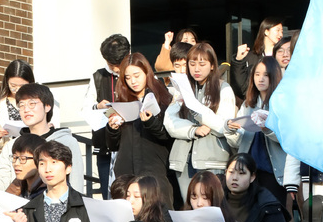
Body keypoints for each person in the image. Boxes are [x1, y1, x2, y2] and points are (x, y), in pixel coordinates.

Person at [164, 42, 238, 199]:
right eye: (192, 64)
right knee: (190, 208)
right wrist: (192, 129)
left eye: (202, 64)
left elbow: (224, 126)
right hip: (183, 160)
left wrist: (196, 109)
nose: (196, 69)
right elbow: (169, 121)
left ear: (212, 65)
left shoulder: (223, 88)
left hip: (212, 160)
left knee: (211, 209)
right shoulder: (182, 88)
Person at [0, 83, 84, 193]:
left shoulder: (66, 142)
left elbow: (76, 183)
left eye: (32, 104)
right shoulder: (12, 145)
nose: (26, 109)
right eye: (21, 105)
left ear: (47, 106)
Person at [229, 57, 299, 207]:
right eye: (257, 74)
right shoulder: (249, 103)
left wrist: (267, 129)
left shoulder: (282, 103)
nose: (260, 79)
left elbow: (287, 139)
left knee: (272, 212)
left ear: (274, 76)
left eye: (266, 75)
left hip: (272, 170)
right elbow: (238, 141)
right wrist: (231, 129)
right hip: (248, 168)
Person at [105, 54, 173, 206]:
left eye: (137, 75)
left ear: (147, 73)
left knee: (156, 217)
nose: (133, 81)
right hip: (125, 172)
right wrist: (112, 128)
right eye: (128, 78)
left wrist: (150, 122)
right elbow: (113, 146)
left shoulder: (162, 100)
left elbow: (167, 137)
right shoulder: (122, 103)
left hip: (153, 170)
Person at [81, 33, 131, 198]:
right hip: (106, 146)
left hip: (130, 144)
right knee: (107, 194)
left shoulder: (136, 73)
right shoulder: (98, 76)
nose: (116, 69)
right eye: (112, 64)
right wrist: (98, 106)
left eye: (119, 64)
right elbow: (86, 107)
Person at [230, 17, 284, 100]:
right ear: (266, 31)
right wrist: (238, 60)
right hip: (256, 104)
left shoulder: (283, 56)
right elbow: (242, 88)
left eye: (282, 31)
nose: (281, 34)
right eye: (277, 30)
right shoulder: (252, 57)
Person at [0, 59, 34, 145]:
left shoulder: (38, 101)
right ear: (7, 82)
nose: (17, 90)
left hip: (33, 149)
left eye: (22, 86)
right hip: (10, 152)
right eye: (13, 86)